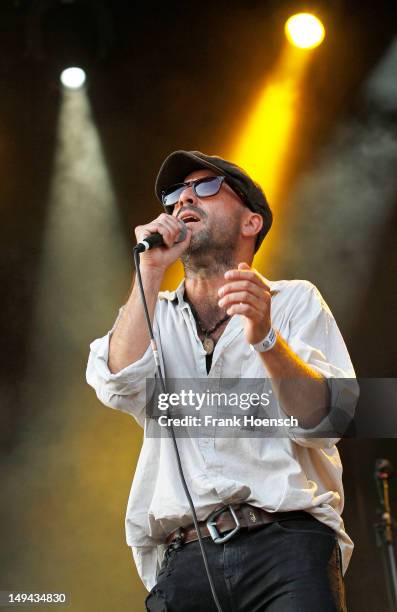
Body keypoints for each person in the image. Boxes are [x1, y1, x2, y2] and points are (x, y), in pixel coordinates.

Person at [86, 150, 357, 611]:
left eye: (206, 187)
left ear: (252, 222)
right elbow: (117, 384)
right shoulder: (154, 314)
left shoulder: (293, 301)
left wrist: (267, 338)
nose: (184, 198)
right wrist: (148, 273)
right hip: (184, 556)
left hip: (288, 544)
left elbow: (330, 420)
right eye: (175, 195)